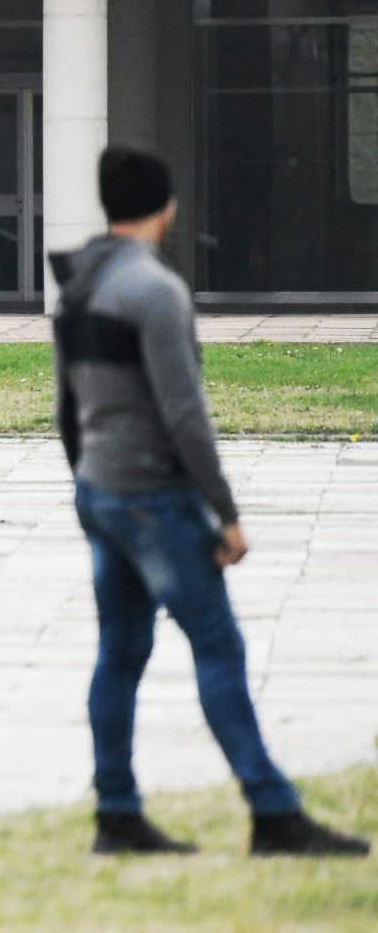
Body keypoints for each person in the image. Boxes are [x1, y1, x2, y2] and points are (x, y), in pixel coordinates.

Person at [52, 147, 365, 856]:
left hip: (100, 491)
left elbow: (64, 411)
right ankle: (274, 812)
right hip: (151, 498)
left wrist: (88, 482)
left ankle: (117, 813)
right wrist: (224, 512)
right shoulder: (154, 291)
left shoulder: (77, 288)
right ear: (166, 205)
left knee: (121, 651)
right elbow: (184, 415)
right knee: (218, 645)